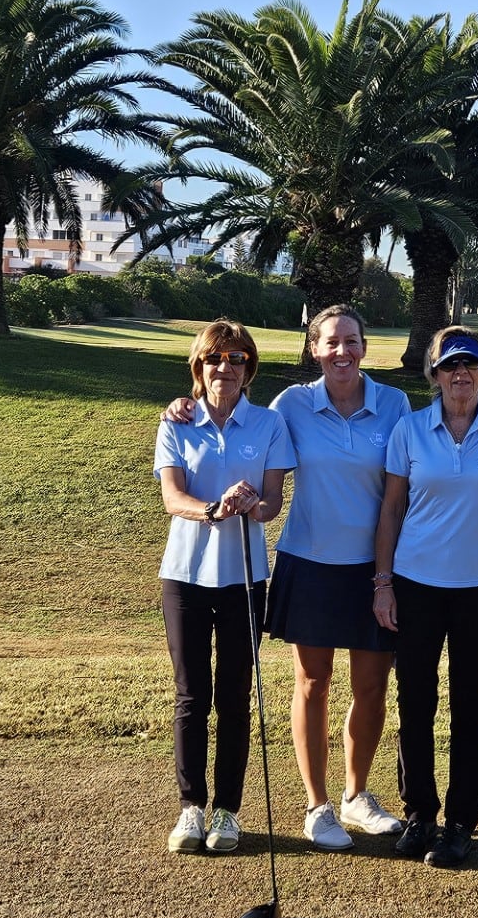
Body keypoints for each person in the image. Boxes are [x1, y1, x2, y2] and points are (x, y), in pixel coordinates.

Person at [166, 305, 411, 852]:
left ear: (364, 347)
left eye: (352, 341)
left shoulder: (394, 404)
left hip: (375, 565)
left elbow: (407, 483)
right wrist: (183, 403)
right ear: (315, 349)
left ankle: (356, 796)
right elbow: (231, 415)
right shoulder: (292, 404)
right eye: (331, 343)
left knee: (371, 687)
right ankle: (317, 806)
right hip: (309, 559)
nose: (342, 352)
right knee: (313, 683)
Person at [371, 327, 478, 868]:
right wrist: (383, 583)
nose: (461, 375)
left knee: (469, 704)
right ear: (433, 375)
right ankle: (420, 812)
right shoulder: (409, 430)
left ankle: (460, 822)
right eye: (450, 366)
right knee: (416, 702)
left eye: (471, 366)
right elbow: (391, 510)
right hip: (415, 583)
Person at [156, 320, 294, 857]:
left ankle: (227, 811)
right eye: (216, 358)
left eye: (237, 359)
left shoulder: (269, 424)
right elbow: (173, 498)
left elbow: (272, 504)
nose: (226, 368)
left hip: (245, 577)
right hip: (185, 577)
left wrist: (247, 504)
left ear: (248, 368)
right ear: (200, 366)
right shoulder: (177, 422)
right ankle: (191, 806)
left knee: (236, 696)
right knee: (193, 695)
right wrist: (213, 508)